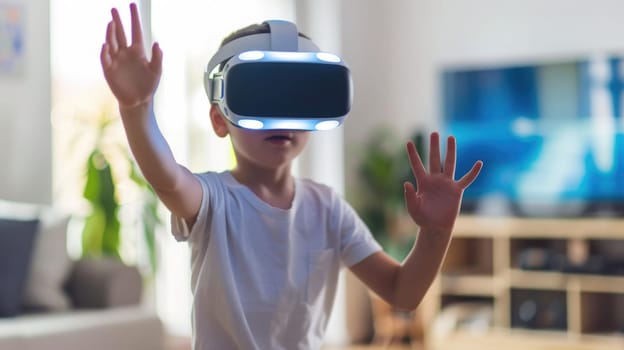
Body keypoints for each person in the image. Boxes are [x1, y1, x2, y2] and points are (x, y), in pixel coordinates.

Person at [100, 3, 483, 350]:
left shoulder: (328, 208)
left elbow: (402, 292)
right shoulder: (212, 200)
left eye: (296, 97)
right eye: (260, 94)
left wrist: (435, 233)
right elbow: (166, 177)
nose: (281, 116)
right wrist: (137, 109)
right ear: (220, 119)